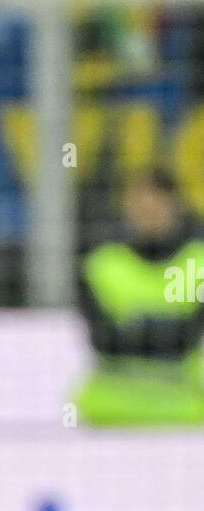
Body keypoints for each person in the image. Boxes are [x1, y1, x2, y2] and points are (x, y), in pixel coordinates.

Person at [75, 168, 204, 426]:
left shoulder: (198, 262)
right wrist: (168, 329)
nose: (149, 213)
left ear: (176, 206)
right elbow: (104, 340)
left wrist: (134, 327)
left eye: (157, 205)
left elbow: (188, 338)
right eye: (141, 205)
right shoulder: (102, 265)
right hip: (110, 418)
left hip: (184, 419)